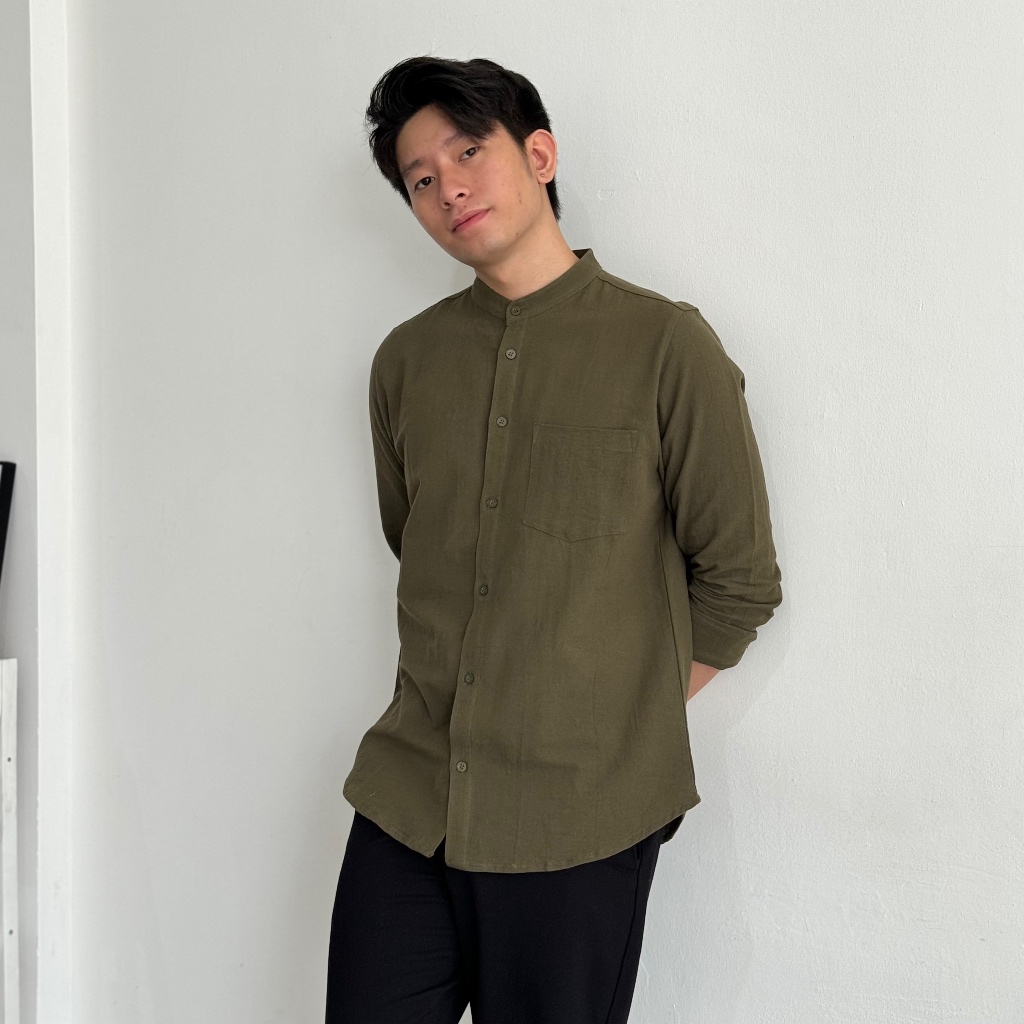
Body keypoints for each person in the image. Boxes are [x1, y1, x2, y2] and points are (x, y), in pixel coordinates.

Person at [326, 55, 783, 1024]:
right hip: (411, 798)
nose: (447, 187)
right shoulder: (404, 364)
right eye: (419, 178)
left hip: (579, 816)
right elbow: (420, 545)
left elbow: (738, 583)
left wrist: (603, 713)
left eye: (467, 151)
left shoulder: (666, 346)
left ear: (539, 154)